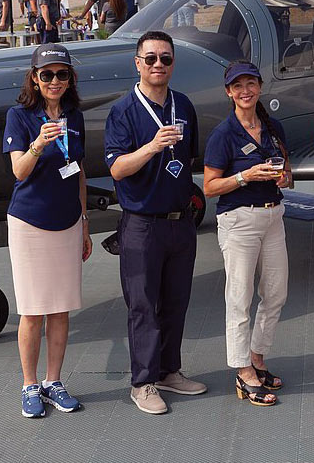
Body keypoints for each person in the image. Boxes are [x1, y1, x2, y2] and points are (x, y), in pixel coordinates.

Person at [104, 30, 207, 414]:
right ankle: (143, 381)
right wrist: (151, 147)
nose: (158, 65)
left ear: (173, 63)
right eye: (150, 59)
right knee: (143, 305)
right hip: (142, 223)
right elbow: (116, 169)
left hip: (181, 221)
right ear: (138, 64)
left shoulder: (184, 104)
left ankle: (168, 371)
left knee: (176, 301)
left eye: (165, 58)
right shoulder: (124, 111)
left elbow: (189, 157)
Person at [3, 43, 91, 418]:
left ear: (70, 79)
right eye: (47, 74)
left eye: (62, 74)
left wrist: (85, 222)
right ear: (35, 79)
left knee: (61, 308)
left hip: (68, 220)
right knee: (33, 310)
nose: (54, 80)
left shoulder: (75, 115)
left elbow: (80, 172)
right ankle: (29, 384)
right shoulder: (19, 116)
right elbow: (19, 172)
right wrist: (39, 143)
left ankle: (54, 381)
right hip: (29, 223)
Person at [203, 61, 293, 407]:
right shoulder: (223, 135)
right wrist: (244, 177)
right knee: (239, 299)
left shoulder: (273, 128)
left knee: (276, 294)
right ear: (229, 92)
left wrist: (283, 178)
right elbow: (210, 187)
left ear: (259, 87)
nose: (245, 91)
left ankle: (257, 356)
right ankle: (243, 372)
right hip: (239, 221)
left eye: (250, 84)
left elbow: (287, 172)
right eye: (237, 86)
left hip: (273, 217)